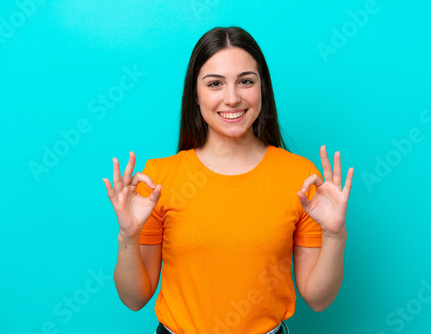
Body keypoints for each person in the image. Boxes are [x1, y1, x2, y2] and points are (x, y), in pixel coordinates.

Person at [102, 26, 354, 334]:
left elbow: (318, 299)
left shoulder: (300, 178)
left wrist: (334, 234)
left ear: (262, 89)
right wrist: (128, 236)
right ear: (195, 95)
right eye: (215, 84)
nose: (232, 98)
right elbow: (134, 298)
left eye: (246, 81)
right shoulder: (157, 180)